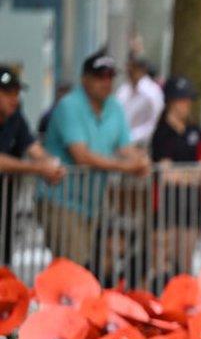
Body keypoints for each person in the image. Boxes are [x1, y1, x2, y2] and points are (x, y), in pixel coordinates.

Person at [42, 49, 150, 276]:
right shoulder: (69, 106)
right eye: (100, 76)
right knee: (73, 268)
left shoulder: (115, 107)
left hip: (92, 203)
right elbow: (81, 156)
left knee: (83, 267)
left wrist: (140, 159)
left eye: (111, 76)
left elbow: (125, 146)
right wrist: (128, 167)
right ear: (85, 79)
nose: (106, 82)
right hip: (62, 199)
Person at [0, 66, 65, 264]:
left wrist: (51, 165)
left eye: (17, 93)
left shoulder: (15, 118)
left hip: (6, 205)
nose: (14, 98)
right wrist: (38, 169)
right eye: (7, 93)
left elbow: (33, 147)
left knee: (4, 258)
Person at [149, 76, 201, 282]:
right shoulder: (162, 133)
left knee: (185, 259)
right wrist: (193, 175)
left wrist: (186, 176)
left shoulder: (194, 131)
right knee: (164, 260)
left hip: (191, 203)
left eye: (188, 100)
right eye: (181, 100)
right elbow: (167, 174)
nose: (186, 105)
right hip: (167, 204)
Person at [116, 55, 165, 148]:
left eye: (134, 68)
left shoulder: (152, 92)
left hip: (141, 144)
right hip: (121, 143)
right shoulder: (123, 90)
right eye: (129, 67)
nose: (130, 71)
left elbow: (153, 122)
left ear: (143, 70)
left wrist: (131, 137)